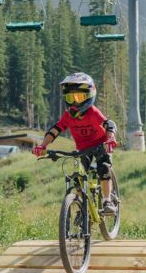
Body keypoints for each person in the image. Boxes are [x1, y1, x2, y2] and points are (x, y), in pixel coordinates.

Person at [33, 72, 118, 214]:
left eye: (79, 97)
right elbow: (55, 130)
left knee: (103, 168)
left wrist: (110, 138)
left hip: (100, 145)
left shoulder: (93, 112)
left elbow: (109, 124)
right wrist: (43, 145)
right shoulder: (67, 116)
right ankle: (80, 205)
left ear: (89, 96)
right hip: (82, 149)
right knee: (78, 178)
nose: (74, 102)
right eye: (70, 97)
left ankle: (107, 200)